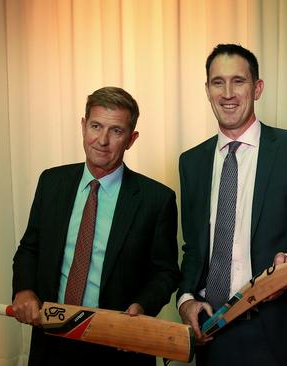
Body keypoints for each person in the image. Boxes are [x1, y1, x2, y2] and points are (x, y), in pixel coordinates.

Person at [177, 44, 287, 365]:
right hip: (211, 332)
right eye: (218, 82)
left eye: (238, 81)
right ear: (207, 90)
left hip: (279, 332)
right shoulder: (191, 162)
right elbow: (193, 249)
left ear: (257, 88)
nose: (227, 93)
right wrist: (186, 300)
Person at [11, 86, 180, 365]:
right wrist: (24, 289)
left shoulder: (156, 200)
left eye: (116, 131)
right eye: (96, 126)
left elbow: (165, 272)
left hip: (117, 345)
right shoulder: (52, 183)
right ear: (83, 126)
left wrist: (141, 307)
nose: (102, 140)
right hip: (51, 340)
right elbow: (30, 247)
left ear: (131, 139)